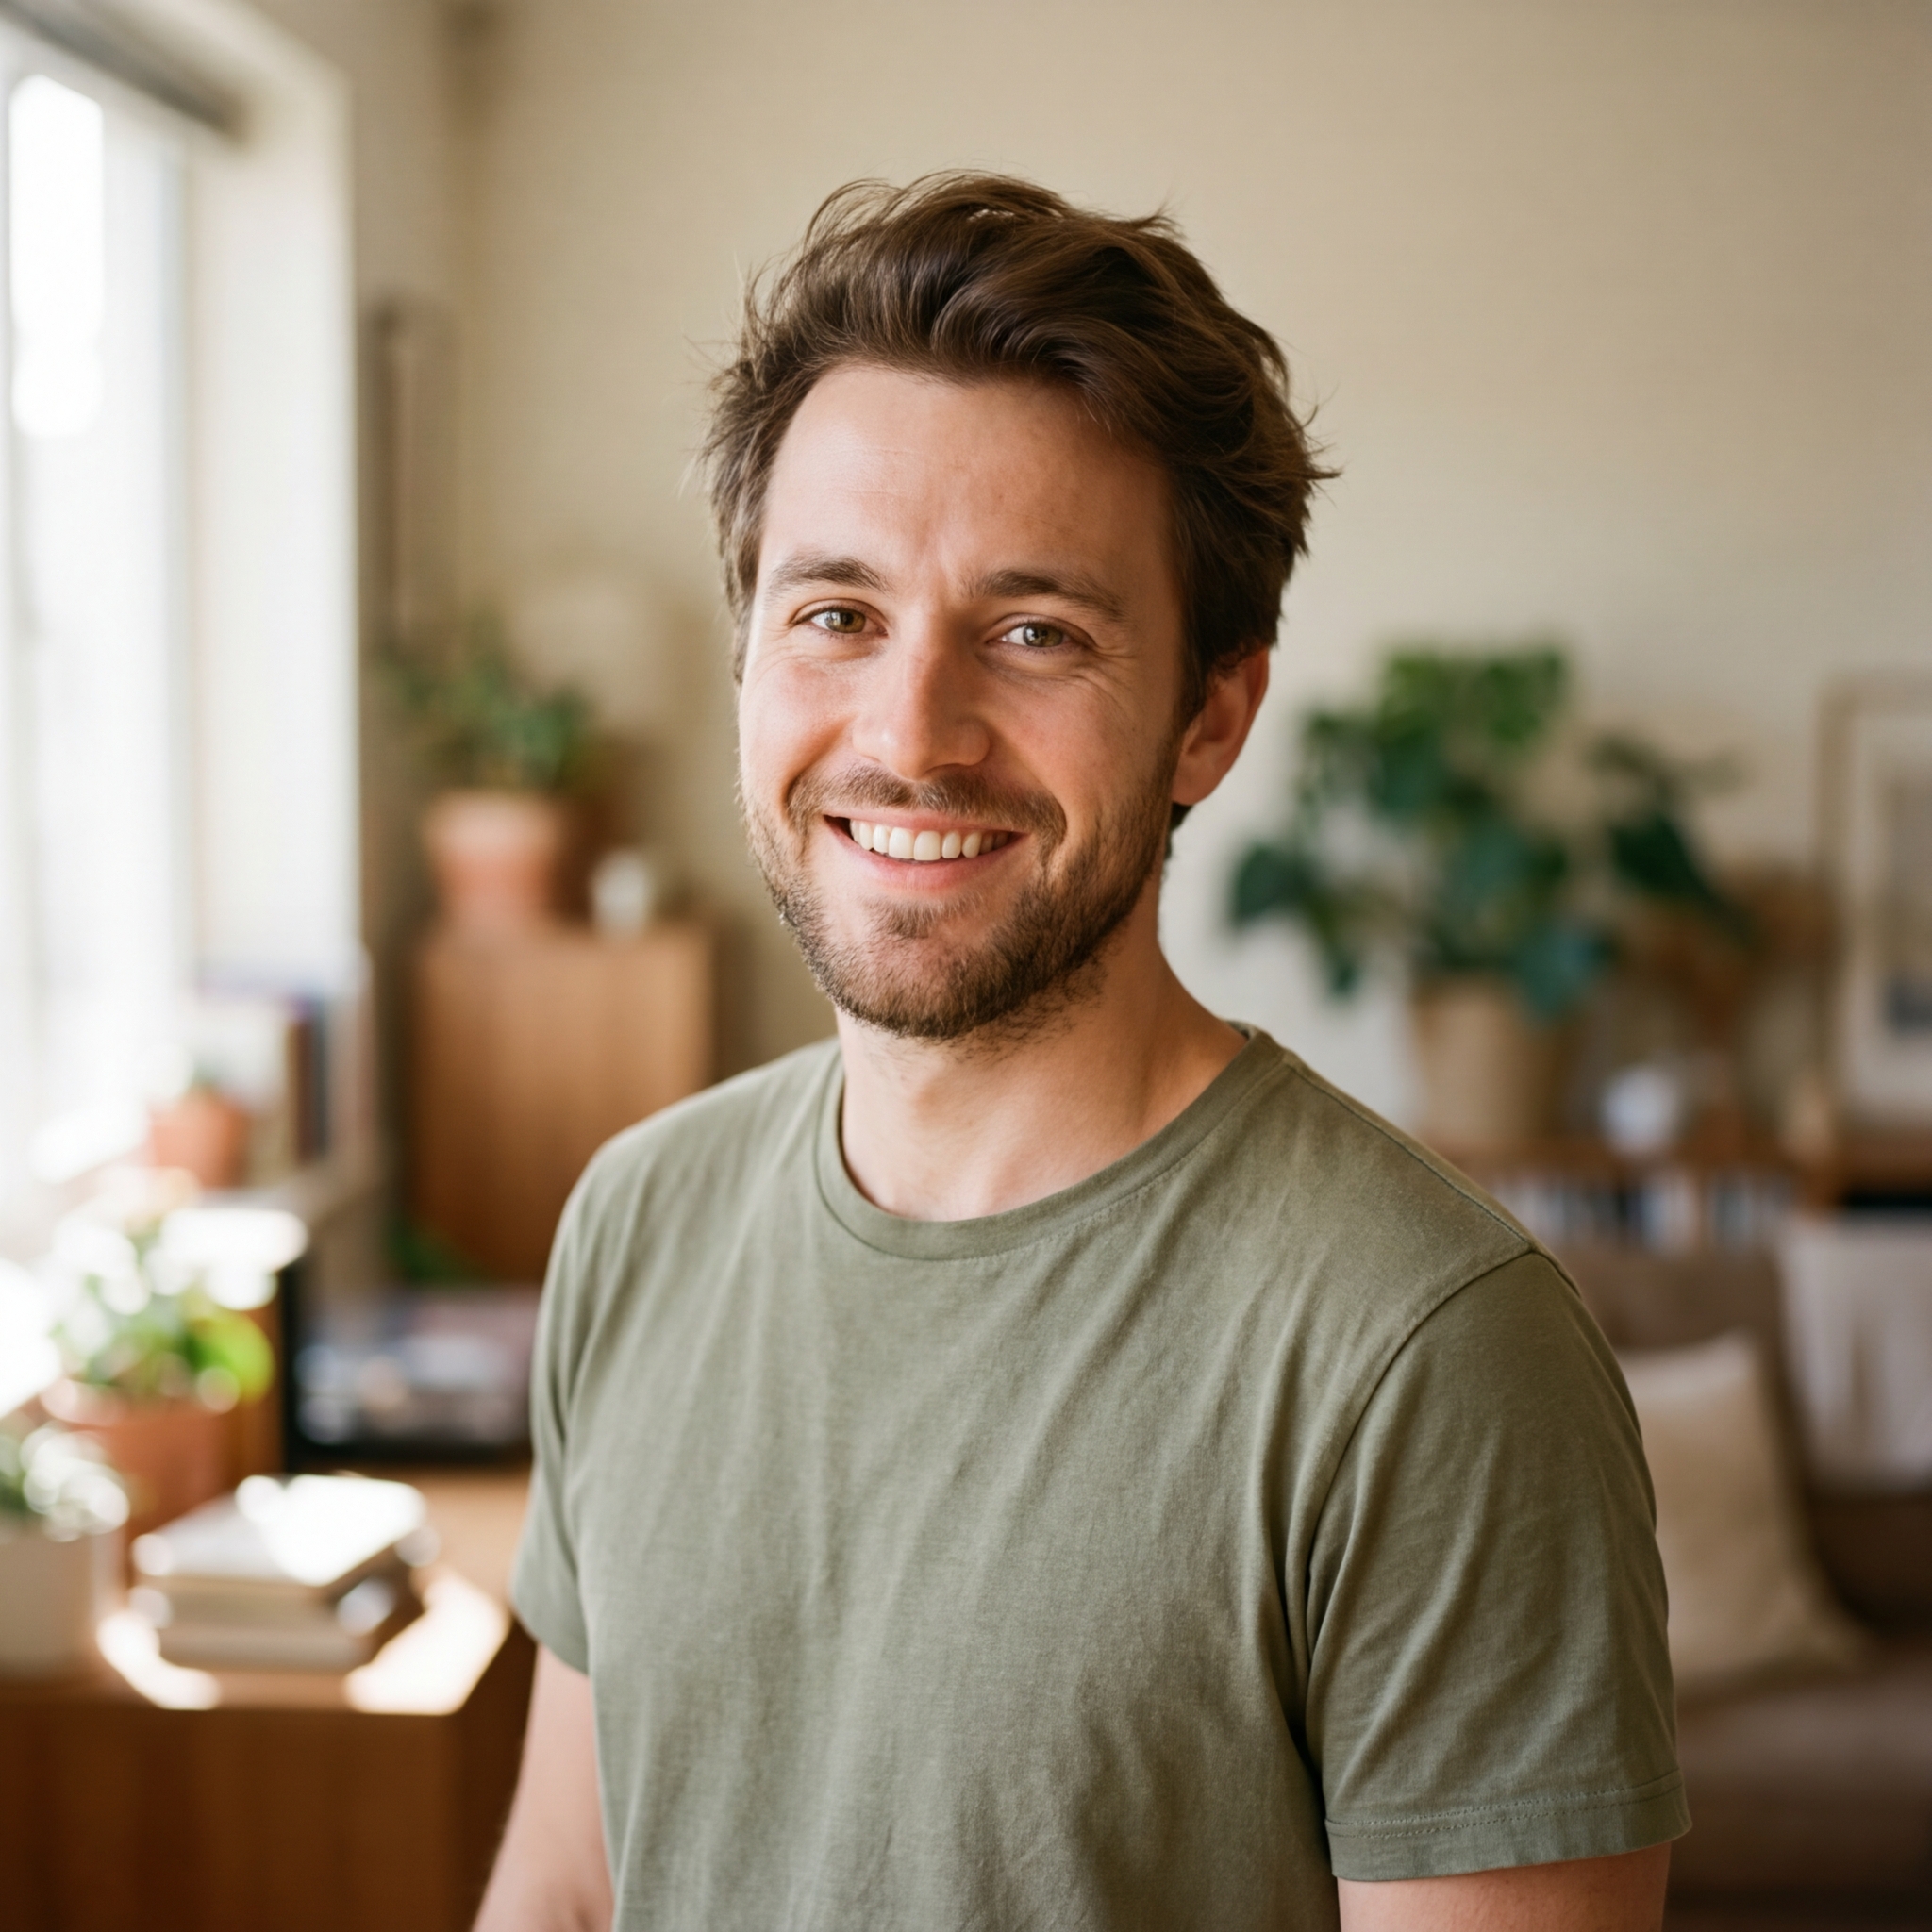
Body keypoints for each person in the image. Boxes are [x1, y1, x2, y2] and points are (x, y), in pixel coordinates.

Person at [476, 175, 1687, 1932]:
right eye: (835, 614)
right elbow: (567, 1893)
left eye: (1036, 632)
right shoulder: (636, 1224)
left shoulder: (1431, 1353)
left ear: (1210, 714)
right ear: (749, 653)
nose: (912, 732)